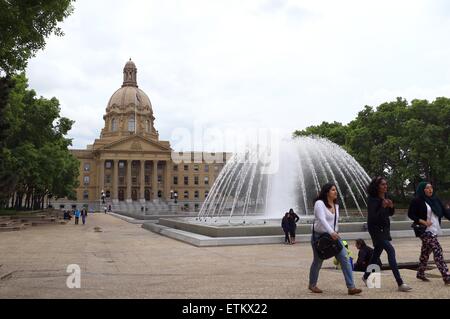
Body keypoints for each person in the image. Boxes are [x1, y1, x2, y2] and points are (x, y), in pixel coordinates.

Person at [308, 182, 362, 295]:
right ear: (327, 192)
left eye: (335, 190)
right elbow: (322, 219)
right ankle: (312, 284)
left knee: (345, 259)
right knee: (318, 261)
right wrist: (332, 232)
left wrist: (335, 232)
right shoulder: (319, 203)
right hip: (319, 237)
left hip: (333, 237)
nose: (335, 191)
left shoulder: (336, 206)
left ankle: (351, 287)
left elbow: (335, 222)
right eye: (333, 190)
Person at [362, 176, 412, 292]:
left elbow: (389, 213)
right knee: (390, 250)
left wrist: (391, 207)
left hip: (384, 229)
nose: (385, 186)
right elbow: (373, 217)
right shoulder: (372, 200)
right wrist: (382, 207)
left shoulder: (386, 197)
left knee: (376, 254)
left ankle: (365, 276)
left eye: (386, 184)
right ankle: (400, 283)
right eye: (382, 184)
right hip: (375, 229)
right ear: (377, 186)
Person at [408, 181, 450, 284]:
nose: (430, 189)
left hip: (434, 229)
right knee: (437, 249)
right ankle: (446, 276)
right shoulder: (417, 200)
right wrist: (423, 221)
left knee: (425, 252)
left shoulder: (435, 200)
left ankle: (420, 273)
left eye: (431, 187)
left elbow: (445, 213)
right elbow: (411, 214)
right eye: (427, 188)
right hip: (423, 230)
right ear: (422, 189)